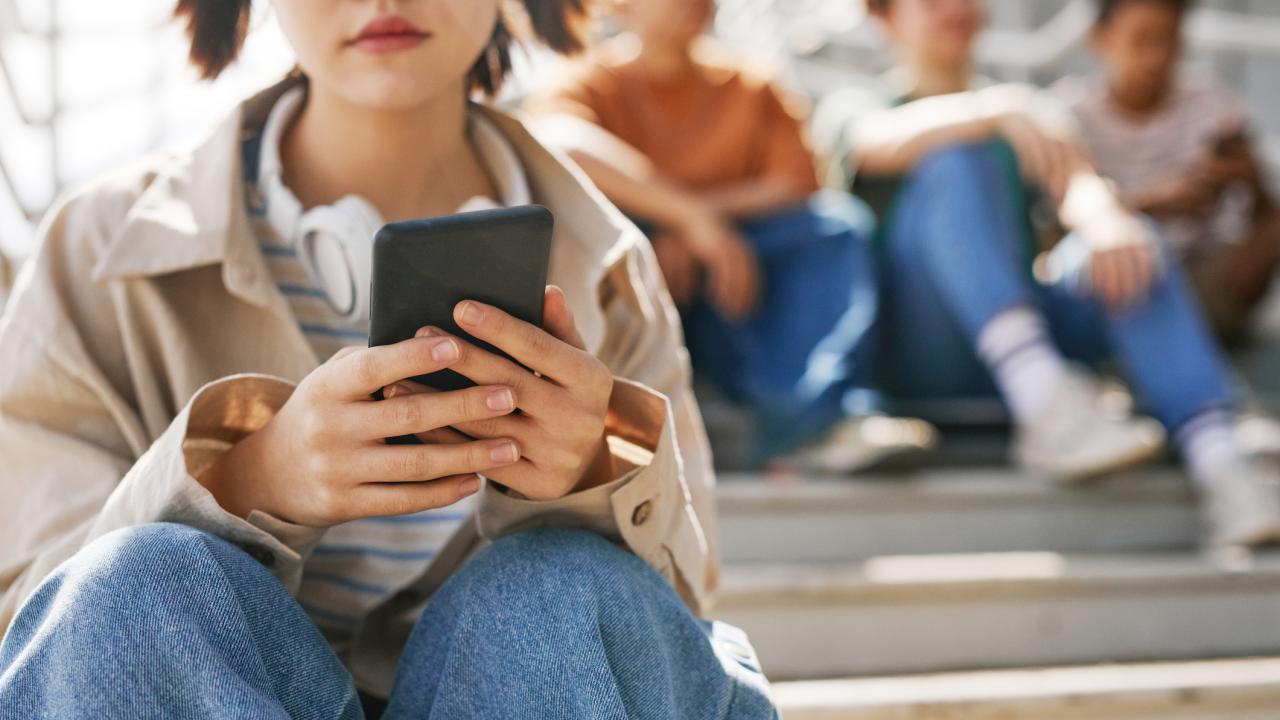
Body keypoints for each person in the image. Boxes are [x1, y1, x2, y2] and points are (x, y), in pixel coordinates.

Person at [0, 1, 778, 717]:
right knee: (136, 585)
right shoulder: (95, 253)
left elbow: (677, 622)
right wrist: (246, 481)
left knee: (563, 591)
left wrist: (587, 482)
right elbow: (38, 631)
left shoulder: (608, 267)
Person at [812, 0, 1280, 548]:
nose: (954, 8)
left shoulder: (1025, 110)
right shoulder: (858, 104)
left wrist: (1106, 221)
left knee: (1132, 244)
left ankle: (1222, 466)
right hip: (920, 347)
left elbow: (1077, 185)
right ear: (884, 17)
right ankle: (1045, 402)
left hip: (1026, 340)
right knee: (955, 161)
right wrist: (993, 112)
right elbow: (875, 142)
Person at [527, 0, 937, 473]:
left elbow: (799, 181)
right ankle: (608, 433)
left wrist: (702, 225)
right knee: (592, 239)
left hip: (743, 295)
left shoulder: (751, 83)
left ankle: (822, 421)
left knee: (833, 227)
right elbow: (559, 141)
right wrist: (688, 217)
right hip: (639, 298)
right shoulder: (586, 80)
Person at [1057, 0, 1280, 345]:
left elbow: (1264, 217)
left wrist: (1249, 179)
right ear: (1101, 39)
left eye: (1170, 40)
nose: (1158, 57)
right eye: (1142, 40)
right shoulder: (1068, 114)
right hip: (1115, 280)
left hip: (1204, 275)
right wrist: (1146, 206)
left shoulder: (1212, 102)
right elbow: (1053, 234)